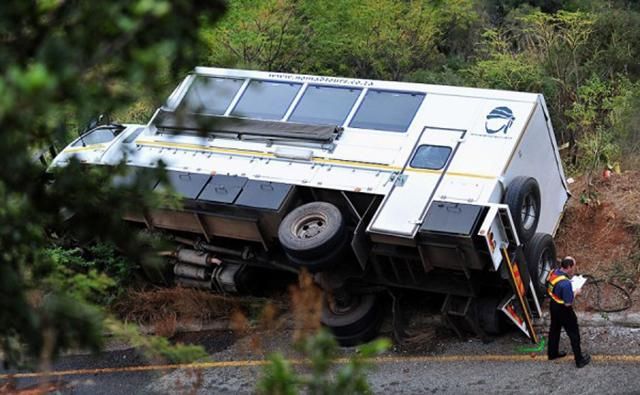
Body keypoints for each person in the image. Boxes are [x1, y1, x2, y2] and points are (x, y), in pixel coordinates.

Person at [547, 256, 591, 368]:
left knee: (554, 329)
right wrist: (576, 292)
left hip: (553, 305)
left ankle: (552, 353)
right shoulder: (566, 284)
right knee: (574, 333)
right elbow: (568, 303)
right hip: (563, 310)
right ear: (569, 267)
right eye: (574, 266)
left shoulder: (554, 273)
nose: (575, 269)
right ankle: (579, 360)